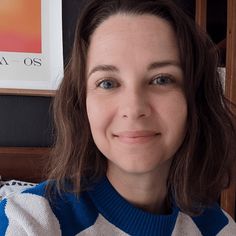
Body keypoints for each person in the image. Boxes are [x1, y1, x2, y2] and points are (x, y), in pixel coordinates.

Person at [0, 0, 236, 235]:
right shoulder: (25, 220)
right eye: (107, 83)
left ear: (194, 97)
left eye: (161, 79)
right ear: (82, 104)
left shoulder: (220, 228)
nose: (133, 108)